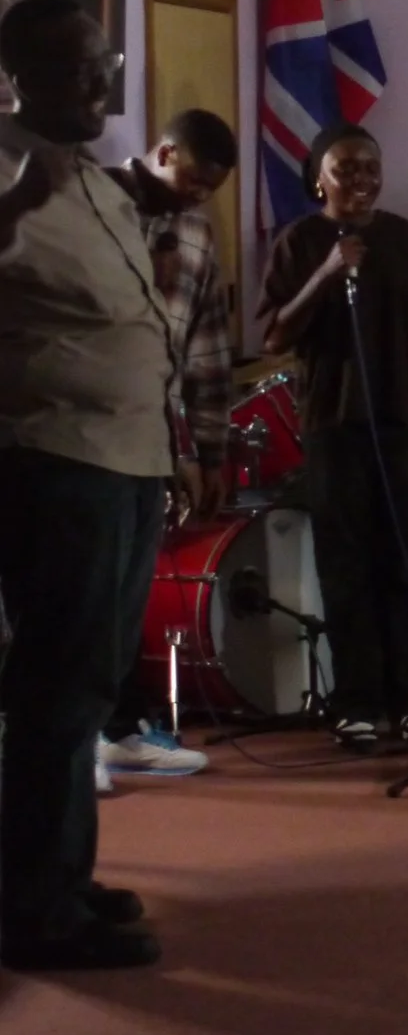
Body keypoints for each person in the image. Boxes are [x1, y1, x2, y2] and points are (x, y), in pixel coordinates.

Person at [0, 0, 174, 971]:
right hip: (58, 460)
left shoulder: (103, 181)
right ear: (18, 78)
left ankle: (59, 875)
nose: (101, 79)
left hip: (131, 458)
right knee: (57, 688)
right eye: (78, 66)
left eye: (103, 60)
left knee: (91, 684)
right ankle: (34, 909)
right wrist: (16, 207)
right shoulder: (7, 168)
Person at [261, 124, 408, 747]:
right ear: (320, 179)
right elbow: (275, 335)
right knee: (347, 564)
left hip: (401, 420)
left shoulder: (402, 236)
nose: (361, 180)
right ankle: (357, 702)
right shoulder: (299, 241)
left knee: (406, 558)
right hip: (334, 423)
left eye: (371, 167)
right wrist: (325, 272)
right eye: (346, 169)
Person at [96, 108, 238, 779]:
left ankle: (120, 729)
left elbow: (207, 353)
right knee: (80, 586)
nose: (198, 196)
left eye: (211, 188)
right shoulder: (93, 200)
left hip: (152, 436)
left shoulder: (197, 235)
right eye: (194, 180)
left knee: (130, 590)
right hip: (80, 430)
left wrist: (207, 452)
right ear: (164, 151)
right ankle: (69, 740)